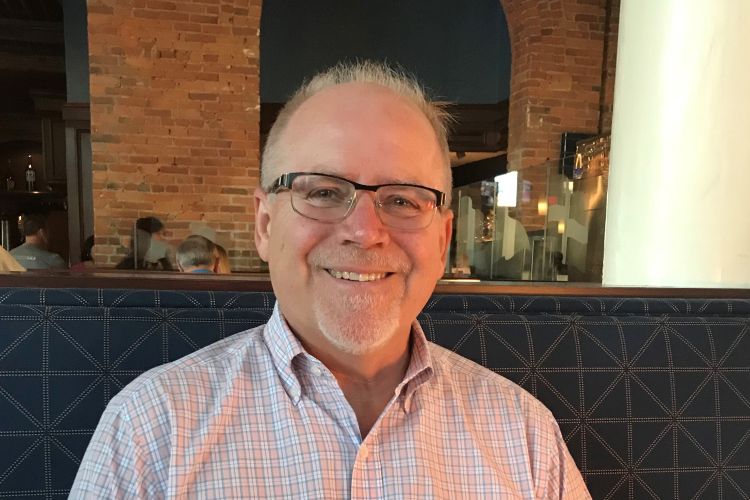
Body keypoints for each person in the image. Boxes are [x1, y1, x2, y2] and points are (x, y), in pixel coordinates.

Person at [71, 61, 590, 498]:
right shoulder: (149, 430)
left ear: (442, 238)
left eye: (403, 199)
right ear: (264, 223)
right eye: (322, 192)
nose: (365, 232)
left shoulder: (526, 436)